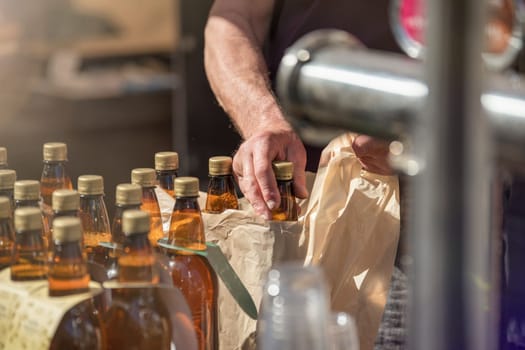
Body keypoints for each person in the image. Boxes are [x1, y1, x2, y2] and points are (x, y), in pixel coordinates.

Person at [204, 0, 397, 220]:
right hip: (303, 194)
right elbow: (234, 17)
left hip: (432, 193)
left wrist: (423, 135)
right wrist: (264, 121)